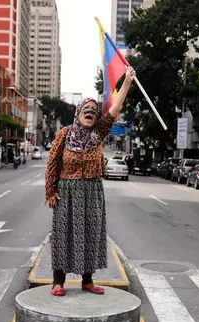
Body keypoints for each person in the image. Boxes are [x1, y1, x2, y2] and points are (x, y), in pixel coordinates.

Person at [45, 66, 135, 297]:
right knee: (63, 234)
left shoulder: (99, 133)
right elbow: (53, 164)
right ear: (78, 113)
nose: (90, 113)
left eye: (94, 111)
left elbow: (114, 108)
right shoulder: (65, 134)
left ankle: (87, 280)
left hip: (93, 190)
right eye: (86, 110)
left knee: (91, 234)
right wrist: (51, 192)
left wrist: (126, 82)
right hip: (67, 191)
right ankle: (58, 281)